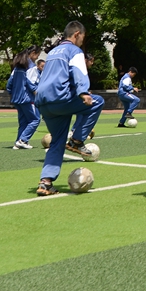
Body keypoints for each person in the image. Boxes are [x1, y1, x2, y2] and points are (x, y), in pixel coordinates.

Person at [33, 22, 105, 196]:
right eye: (82, 38)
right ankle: (77, 140)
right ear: (77, 34)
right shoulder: (74, 51)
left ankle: (45, 182)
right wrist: (83, 92)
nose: (82, 42)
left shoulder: (52, 53)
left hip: (43, 102)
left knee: (57, 141)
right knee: (97, 102)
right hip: (60, 98)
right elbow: (79, 72)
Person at [7, 49, 41, 149]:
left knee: (23, 121)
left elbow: (9, 83)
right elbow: (31, 84)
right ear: (33, 53)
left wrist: (12, 93)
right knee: (35, 120)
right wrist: (37, 94)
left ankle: (18, 142)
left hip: (16, 98)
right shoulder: (32, 67)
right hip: (27, 98)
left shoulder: (17, 67)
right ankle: (23, 140)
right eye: (37, 55)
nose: (38, 57)